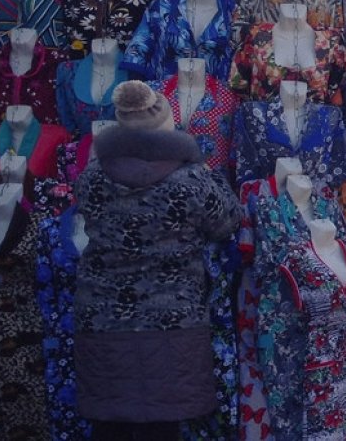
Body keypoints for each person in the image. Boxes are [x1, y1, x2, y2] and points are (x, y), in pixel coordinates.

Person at [73, 80, 242, 440]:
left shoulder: (92, 178)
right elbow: (228, 220)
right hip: (172, 322)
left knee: (110, 422)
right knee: (163, 425)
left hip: (103, 321)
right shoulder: (192, 180)